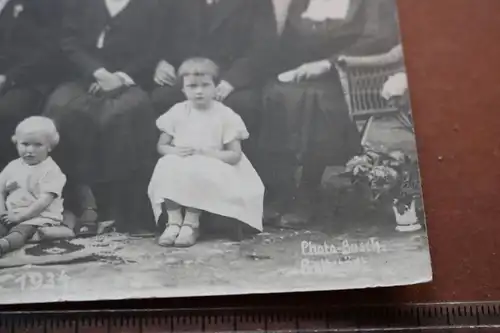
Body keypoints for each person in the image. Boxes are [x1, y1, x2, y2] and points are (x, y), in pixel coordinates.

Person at [260, 0, 401, 226]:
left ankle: (307, 191)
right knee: (273, 94)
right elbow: (289, 41)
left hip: (349, 75)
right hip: (303, 71)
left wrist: (329, 63)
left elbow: (378, 37)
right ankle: (283, 190)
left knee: (316, 103)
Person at [43, 0, 161, 234]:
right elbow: (70, 43)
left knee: (124, 113)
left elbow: (155, 48)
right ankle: (78, 202)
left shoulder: (153, 5)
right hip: (86, 78)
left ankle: (120, 208)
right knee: (62, 108)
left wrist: (122, 77)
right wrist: (97, 72)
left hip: (131, 80)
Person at [148, 58, 264, 247]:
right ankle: (174, 221)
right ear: (183, 90)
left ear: (215, 86)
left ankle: (191, 223)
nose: (199, 91)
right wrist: (175, 151)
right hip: (184, 159)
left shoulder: (225, 115)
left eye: (205, 85)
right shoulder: (178, 112)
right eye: (192, 86)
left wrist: (209, 154)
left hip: (217, 163)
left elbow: (235, 155)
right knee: (166, 164)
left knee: (199, 168)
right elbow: (162, 146)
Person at [150, 0, 277, 165]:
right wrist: (162, 61)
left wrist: (233, 81)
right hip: (187, 71)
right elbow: (159, 35)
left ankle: (236, 175)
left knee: (242, 105)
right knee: (161, 98)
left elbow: (264, 47)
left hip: (232, 74)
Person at [0, 0, 63, 170]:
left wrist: (8, 78)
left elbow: (48, 51)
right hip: (7, 75)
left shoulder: (50, 6)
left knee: (6, 112)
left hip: (33, 79)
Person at [0, 116, 66, 257]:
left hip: (37, 216)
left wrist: (20, 217)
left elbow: (43, 202)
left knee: (20, 231)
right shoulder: (13, 166)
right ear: (16, 143)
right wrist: (2, 212)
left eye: (37, 145)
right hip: (11, 214)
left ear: (49, 146)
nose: (30, 150)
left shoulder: (51, 171)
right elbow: (0, 190)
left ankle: (4, 245)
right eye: (24, 144)